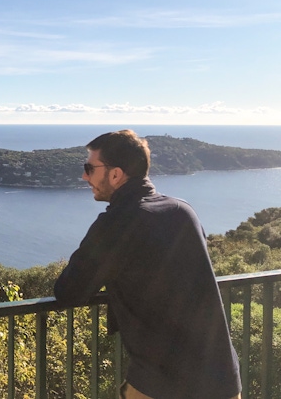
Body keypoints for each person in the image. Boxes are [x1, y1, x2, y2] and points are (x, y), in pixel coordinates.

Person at [53, 130, 241, 399]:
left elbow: (68, 292)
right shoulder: (181, 211)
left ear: (115, 174)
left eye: (89, 168)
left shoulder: (117, 223)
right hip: (222, 378)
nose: (85, 177)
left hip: (164, 382)